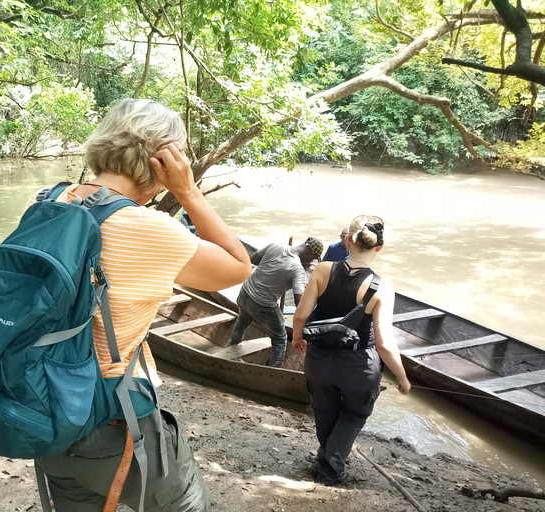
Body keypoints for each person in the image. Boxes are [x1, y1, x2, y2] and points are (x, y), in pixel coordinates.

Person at [29, 98, 252, 511]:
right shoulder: (150, 229)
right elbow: (239, 267)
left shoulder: (46, 201)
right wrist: (187, 191)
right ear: (162, 160)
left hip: (39, 409)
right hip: (108, 422)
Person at [291, 216, 411, 486]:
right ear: (378, 247)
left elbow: (300, 316)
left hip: (319, 359)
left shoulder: (322, 270)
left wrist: (297, 340)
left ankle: (328, 456)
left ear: (347, 241)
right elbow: (384, 344)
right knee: (354, 415)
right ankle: (331, 471)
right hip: (359, 365)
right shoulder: (383, 288)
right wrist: (402, 378)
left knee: (324, 409)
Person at [230, 237, 324, 367]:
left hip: (245, 293)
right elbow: (299, 302)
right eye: (314, 259)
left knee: (241, 322)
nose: (312, 261)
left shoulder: (276, 246)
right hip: (263, 304)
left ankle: (231, 358)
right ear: (311, 253)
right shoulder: (298, 269)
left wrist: (274, 270)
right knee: (280, 339)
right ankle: (272, 373)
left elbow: (252, 260)